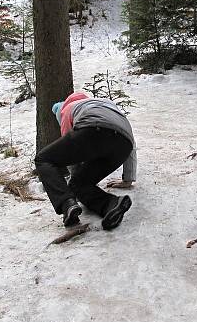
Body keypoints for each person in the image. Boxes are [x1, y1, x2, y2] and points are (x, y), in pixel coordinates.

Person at [34, 92, 136, 230]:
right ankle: (111, 204)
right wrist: (128, 179)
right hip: (123, 145)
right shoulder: (107, 104)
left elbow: (71, 156)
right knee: (78, 184)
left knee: (43, 159)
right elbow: (131, 143)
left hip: (94, 130)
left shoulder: (67, 108)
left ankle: (67, 204)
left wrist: (70, 192)